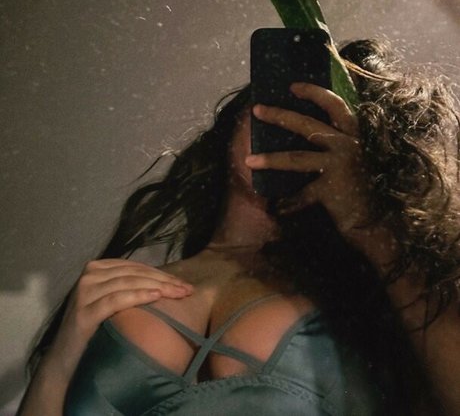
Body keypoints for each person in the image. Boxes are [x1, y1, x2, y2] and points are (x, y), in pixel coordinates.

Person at [17, 39, 460, 416]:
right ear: (242, 109)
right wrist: (58, 365)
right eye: (285, 96)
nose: (292, 121)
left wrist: (369, 225)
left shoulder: (376, 294)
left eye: (323, 116)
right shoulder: (112, 289)